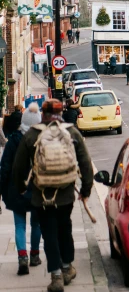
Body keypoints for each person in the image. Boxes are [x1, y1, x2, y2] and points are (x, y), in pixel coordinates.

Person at [13, 99, 93, 292]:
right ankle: (67, 268)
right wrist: (86, 190)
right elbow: (86, 164)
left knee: (49, 232)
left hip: (41, 195)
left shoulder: (32, 135)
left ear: (43, 114)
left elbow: (18, 167)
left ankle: (56, 276)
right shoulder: (72, 133)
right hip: (65, 194)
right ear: (60, 113)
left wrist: (21, 188)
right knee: (65, 228)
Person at [0, 111, 42, 275]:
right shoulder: (41, 140)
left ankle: (22, 257)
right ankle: (35, 255)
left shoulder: (13, 141)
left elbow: (4, 168)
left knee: (19, 225)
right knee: (36, 224)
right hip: (37, 189)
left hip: (17, 188)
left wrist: (2, 188)